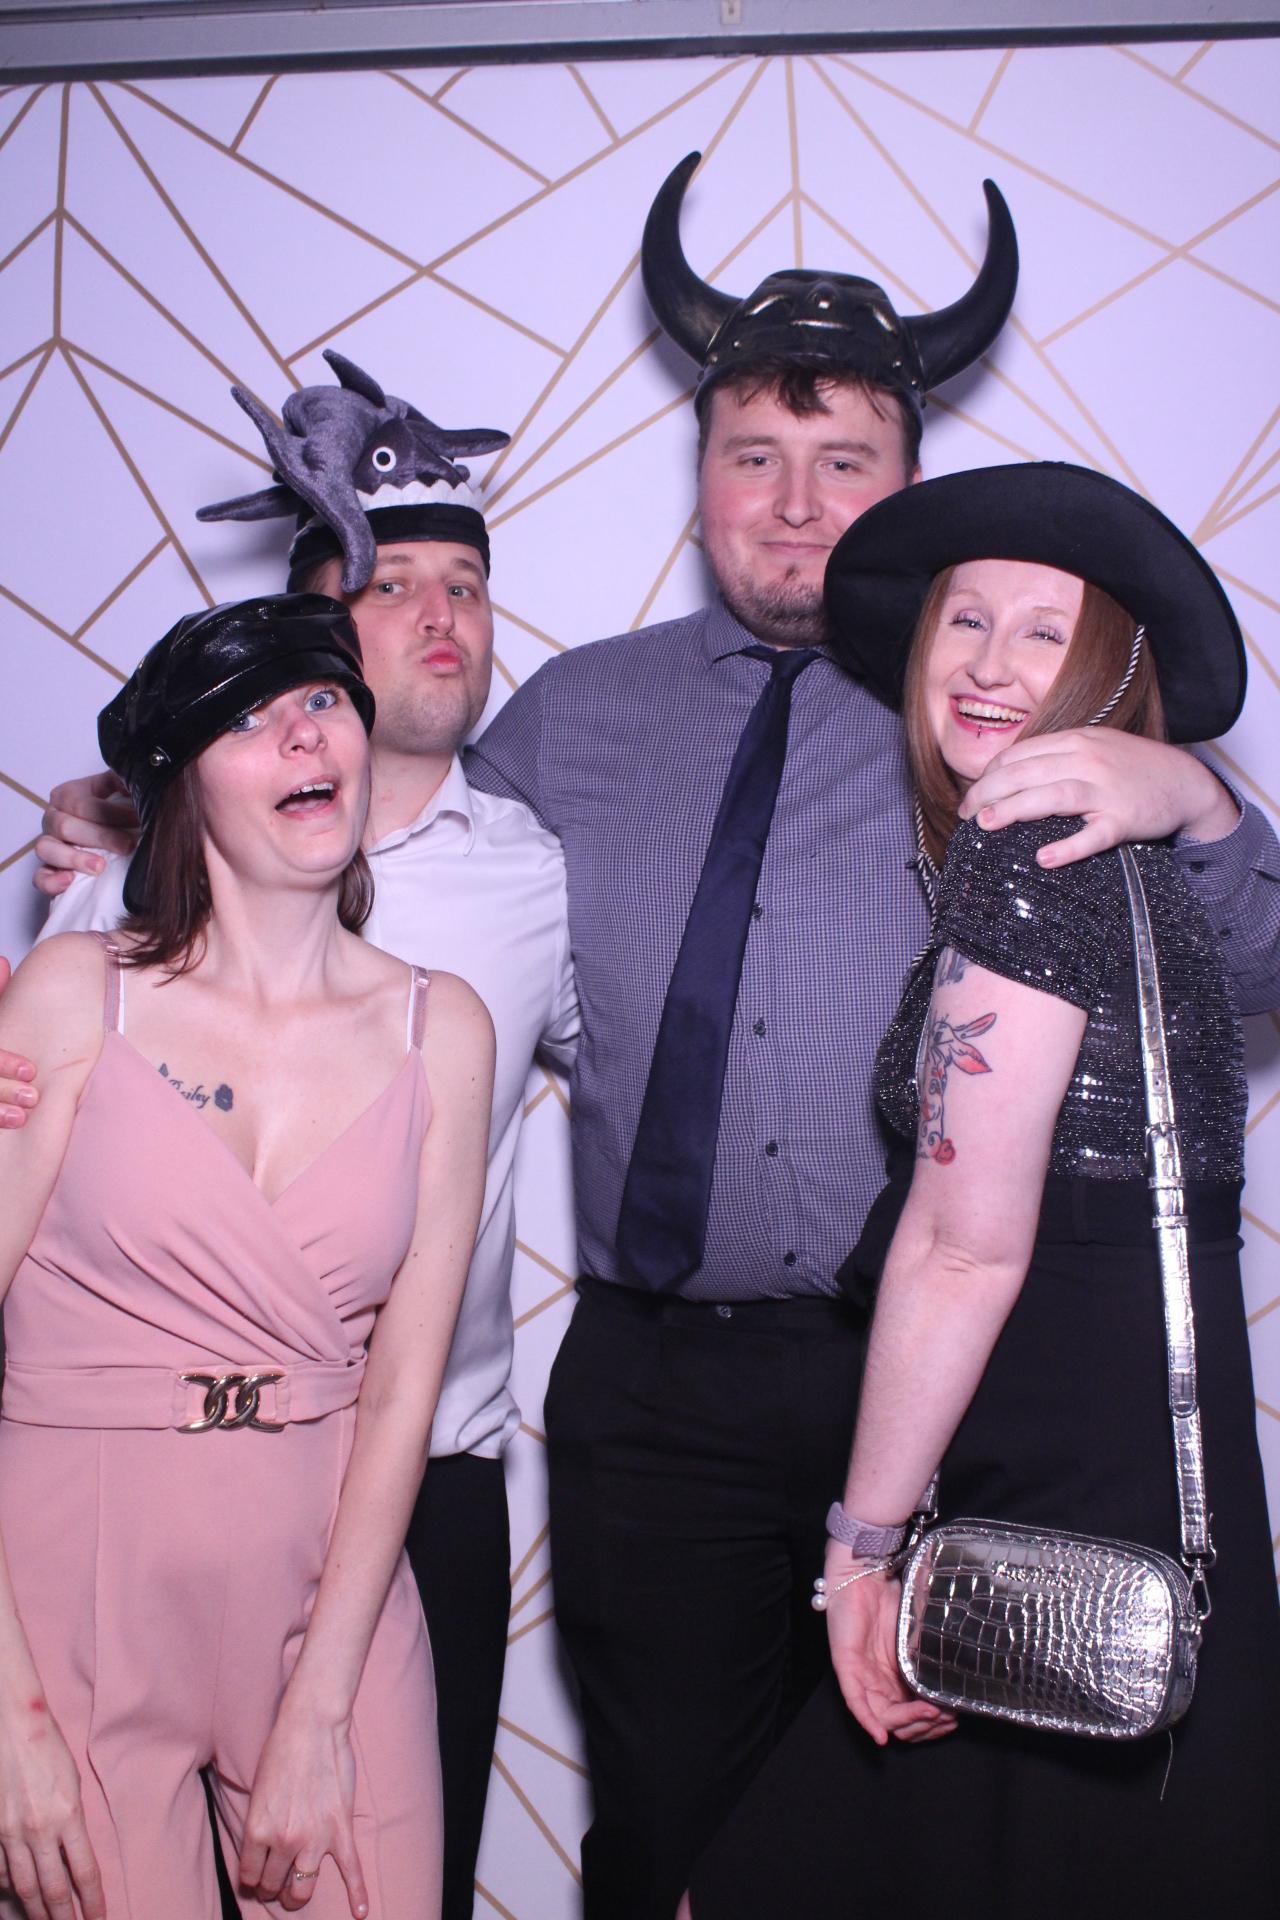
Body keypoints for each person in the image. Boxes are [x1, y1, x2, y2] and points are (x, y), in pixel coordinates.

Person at [458, 158, 1280, 1918]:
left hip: (915, 1380)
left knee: (907, 1853)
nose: (795, 501)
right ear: (700, 477)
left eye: (846, 460)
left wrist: (1197, 794)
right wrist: (137, 848)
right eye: (753, 453)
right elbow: (399, 897)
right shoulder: (571, 716)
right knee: (674, 1841)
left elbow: (1241, 968)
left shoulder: (989, 731)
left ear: (909, 485)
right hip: (656, 1391)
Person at [2, 353, 577, 1920]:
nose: (306, 735)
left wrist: (322, 1705)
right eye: (253, 720)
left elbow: (401, 1380)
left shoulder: (460, 1001)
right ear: (181, 791)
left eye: (322, 700)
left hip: (345, 1557)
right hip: (76, 1572)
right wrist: (7, 1720)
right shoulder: (75, 982)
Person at [684, 462, 1280, 1915]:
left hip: (1049, 1502)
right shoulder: (1122, 862)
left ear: (1113, 673)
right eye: (965, 620)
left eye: (1042, 630)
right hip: (1124, 1487)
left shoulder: (1030, 856)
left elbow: (964, 1249)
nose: (990, 664)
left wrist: (860, 1551)